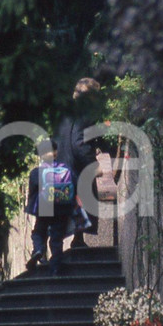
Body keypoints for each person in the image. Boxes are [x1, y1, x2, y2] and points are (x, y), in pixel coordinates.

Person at [54, 77, 103, 248]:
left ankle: (73, 242)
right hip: (77, 167)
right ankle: (77, 240)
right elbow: (78, 142)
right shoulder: (84, 114)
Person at [26, 139, 77, 276]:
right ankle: (55, 269)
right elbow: (74, 188)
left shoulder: (36, 173)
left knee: (38, 232)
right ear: (56, 153)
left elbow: (33, 193)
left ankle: (38, 249)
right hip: (62, 209)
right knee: (57, 238)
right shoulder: (66, 170)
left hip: (44, 208)